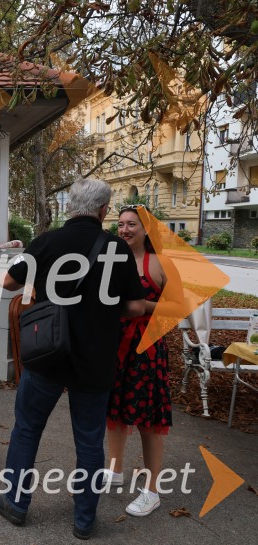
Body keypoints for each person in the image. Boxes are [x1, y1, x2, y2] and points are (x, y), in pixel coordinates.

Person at [0, 178, 146, 540]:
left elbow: (8, 284)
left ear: (70, 206)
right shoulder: (117, 249)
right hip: (96, 361)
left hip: (47, 354)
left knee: (27, 428)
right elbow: (137, 306)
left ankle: (15, 502)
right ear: (105, 210)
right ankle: (84, 520)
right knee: (90, 442)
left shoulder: (47, 242)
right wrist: (105, 310)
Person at [105, 205, 184, 517]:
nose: (124, 230)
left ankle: (152, 491)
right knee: (114, 412)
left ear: (146, 229)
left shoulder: (160, 262)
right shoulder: (111, 260)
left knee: (149, 422)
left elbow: (178, 308)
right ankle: (114, 470)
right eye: (121, 224)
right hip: (114, 347)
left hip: (146, 350)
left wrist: (143, 307)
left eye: (132, 225)